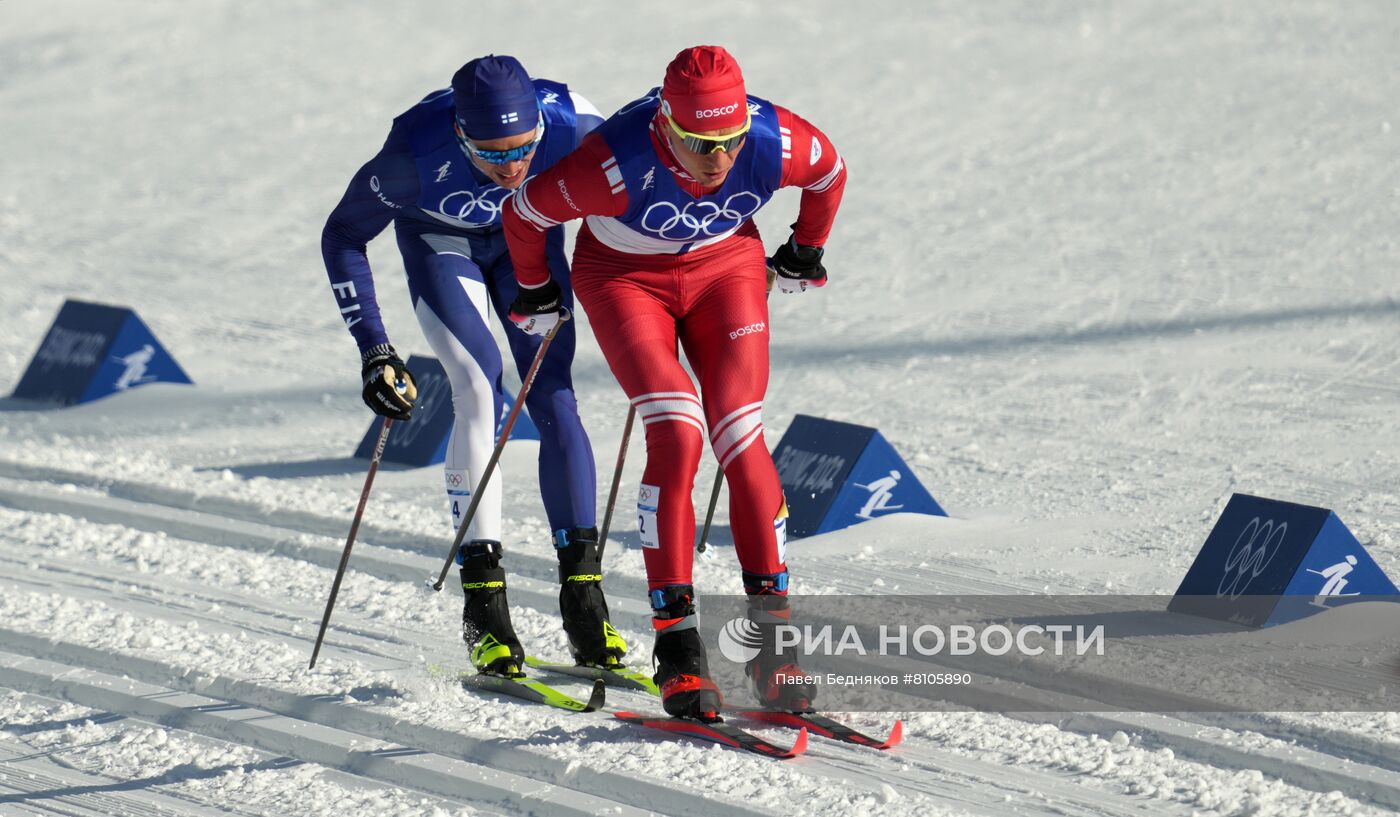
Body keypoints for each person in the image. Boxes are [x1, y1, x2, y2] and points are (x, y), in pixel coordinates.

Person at [502, 45, 846, 720]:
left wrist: (804, 250)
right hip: (625, 280)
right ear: (665, 124)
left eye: (729, 141)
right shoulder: (613, 163)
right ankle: (678, 647)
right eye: (699, 143)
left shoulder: (774, 140)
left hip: (726, 271)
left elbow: (830, 173)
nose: (718, 160)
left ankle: (774, 645)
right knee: (679, 428)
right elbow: (525, 213)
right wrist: (538, 290)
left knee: (742, 435)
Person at [321, 55, 627, 678]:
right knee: (476, 385)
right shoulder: (411, 154)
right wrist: (374, 349)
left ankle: (584, 595)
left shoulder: (577, 124)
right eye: (490, 153)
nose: (511, 166)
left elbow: (646, 195)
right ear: (460, 134)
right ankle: (485, 604)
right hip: (441, 245)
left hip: (529, 249)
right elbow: (343, 236)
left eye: (523, 148)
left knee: (555, 395)